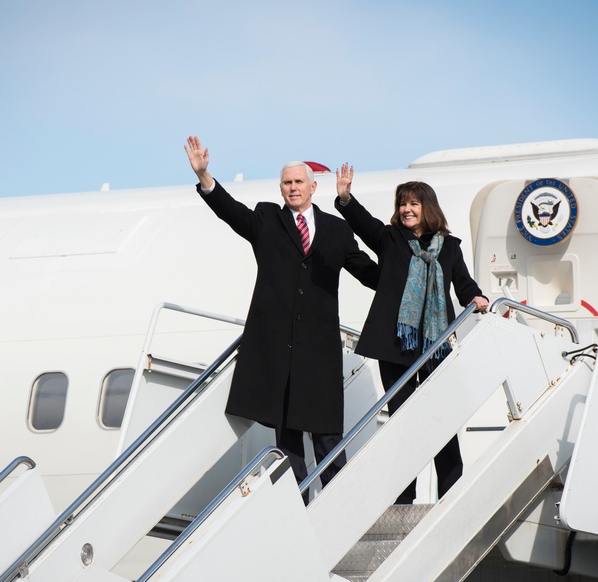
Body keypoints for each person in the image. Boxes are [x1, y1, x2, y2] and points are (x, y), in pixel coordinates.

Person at [184, 136, 378, 492]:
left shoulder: (336, 229)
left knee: (327, 434)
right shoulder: (266, 219)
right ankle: (299, 503)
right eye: (287, 183)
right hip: (280, 352)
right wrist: (205, 176)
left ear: (313, 187)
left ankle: (338, 499)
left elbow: (367, 271)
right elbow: (230, 211)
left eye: (298, 182)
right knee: (288, 440)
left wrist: (403, 273)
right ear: (281, 188)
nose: (292, 188)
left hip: (319, 350)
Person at [335, 164, 488, 503]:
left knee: (440, 417)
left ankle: (451, 494)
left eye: (413, 204)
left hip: (436, 346)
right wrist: (345, 198)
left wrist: (476, 297)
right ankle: (404, 499)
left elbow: (462, 282)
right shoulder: (390, 239)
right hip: (396, 347)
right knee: (402, 421)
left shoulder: (449, 247)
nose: (406, 209)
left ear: (427, 208)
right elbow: (364, 224)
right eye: (402, 203)